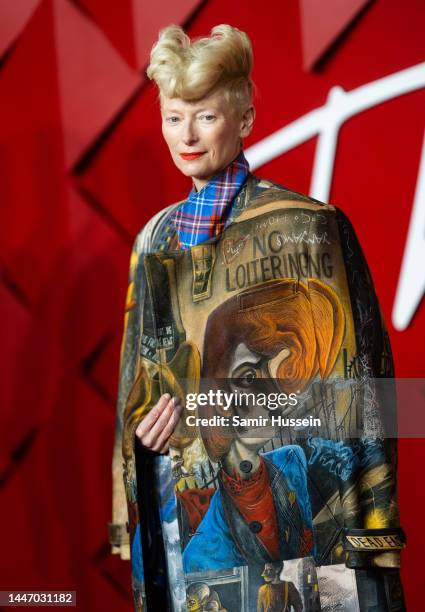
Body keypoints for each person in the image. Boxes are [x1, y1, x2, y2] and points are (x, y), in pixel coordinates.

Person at [110, 24, 406, 612]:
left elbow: (369, 388)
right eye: (173, 117)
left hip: (323, 547)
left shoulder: (316, 226)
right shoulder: (154, 241)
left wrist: (373, 538)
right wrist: (143, 442)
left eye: (206, 117)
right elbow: (137, 390)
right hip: (201, 543)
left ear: (244, 119)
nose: (187, 136)